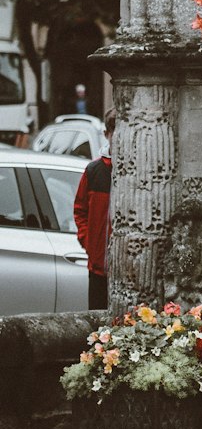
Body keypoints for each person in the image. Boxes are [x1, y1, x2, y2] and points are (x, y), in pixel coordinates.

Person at [73, 108, 115, 309]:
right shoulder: (94, 171)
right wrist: (88, 241)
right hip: (98, 267)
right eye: (114, 133)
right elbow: (80, 210)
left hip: (127, 270)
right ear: (107, 134)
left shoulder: (136, 171)